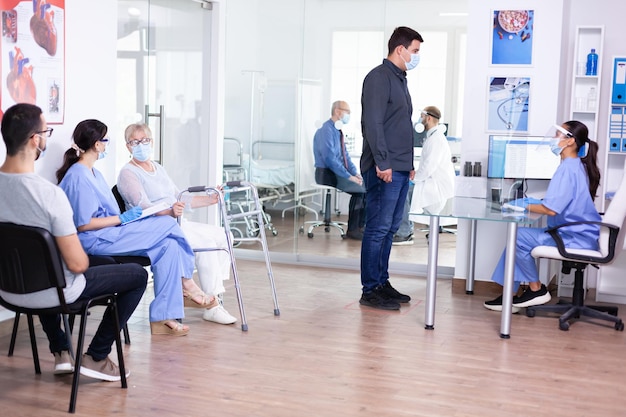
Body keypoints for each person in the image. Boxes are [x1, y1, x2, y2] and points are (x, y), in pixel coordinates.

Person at [0, 103, 148, 380]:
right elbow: (78, 263)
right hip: (56, 290)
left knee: (48, 263)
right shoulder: (48, 194)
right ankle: (96, 356)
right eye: (47, 130)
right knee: (137, 275)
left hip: (9, 290)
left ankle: (61, 352)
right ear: (36, 140)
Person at [56, 119, 214, 336]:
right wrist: (122, 219)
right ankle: (187, 282)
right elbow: (83, 225)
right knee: (168, 223)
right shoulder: (78, 176)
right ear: (96, 144)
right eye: (105, 140)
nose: (107, 144)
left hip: (111, 233)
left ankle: (163, 317)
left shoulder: (95, 173)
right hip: (95, 240)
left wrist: (122, 219)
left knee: (168, 246)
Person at [117, 123, 237, 325]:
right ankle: (213, 305)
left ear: (152, 141)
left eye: (145, 140)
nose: (141, 145)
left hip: (176, 221)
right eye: (135, 142)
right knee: (206, 244)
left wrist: (210, 199)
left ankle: (215, 294)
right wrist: (170, 211)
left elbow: (178, 197)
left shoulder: (158, 168)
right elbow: (144, 208)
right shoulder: (128, 173)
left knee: (225, 236)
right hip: (157, 229)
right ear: (128, 146)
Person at [484, 121, 601, 312]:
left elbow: (551, 209)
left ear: (570, 141)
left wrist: (524, 205)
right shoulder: (574, 166)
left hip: (573, 239)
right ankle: (509, 295)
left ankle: (536, 289)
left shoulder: (568, 169)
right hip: (578, 234)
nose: (553, 138)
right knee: (517, 236)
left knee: (518, 236)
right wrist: (529, 203)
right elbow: (558, 203)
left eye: (558, 134)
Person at [359, 26, 423, 310]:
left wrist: (408, 164)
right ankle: (370, 289)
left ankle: (382, 283)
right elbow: (373, 124)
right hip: (382, 167)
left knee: (390, 228)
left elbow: (400, 125)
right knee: (377, 228)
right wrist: (383, 162)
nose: (416, 56)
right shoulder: (378, 78)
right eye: (415, 51)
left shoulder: (400, 79)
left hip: (399, 167)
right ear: (401, 49)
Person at [313, 100, 366, 240]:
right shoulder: (326, 131)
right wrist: (349, 177)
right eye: (347, 112)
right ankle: (353, 230)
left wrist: (355, 173)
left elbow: (345, 157)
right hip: (325, 173)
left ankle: (361, 226)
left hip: (336, 172)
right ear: (337, 111)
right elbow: (330, 159)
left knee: (365, 186)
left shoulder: (338, 131)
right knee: (359, 190)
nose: (349, 115)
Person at [407, 106, 455, 221]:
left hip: (436, 186)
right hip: (433, 183)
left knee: (404, 193)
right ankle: (406, 229)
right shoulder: (433, 137)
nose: (420, 120)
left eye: (421, 117)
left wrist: (413, 178)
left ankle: (405, 230)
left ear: (428, 118)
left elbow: (429, 166)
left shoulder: (436, 139)